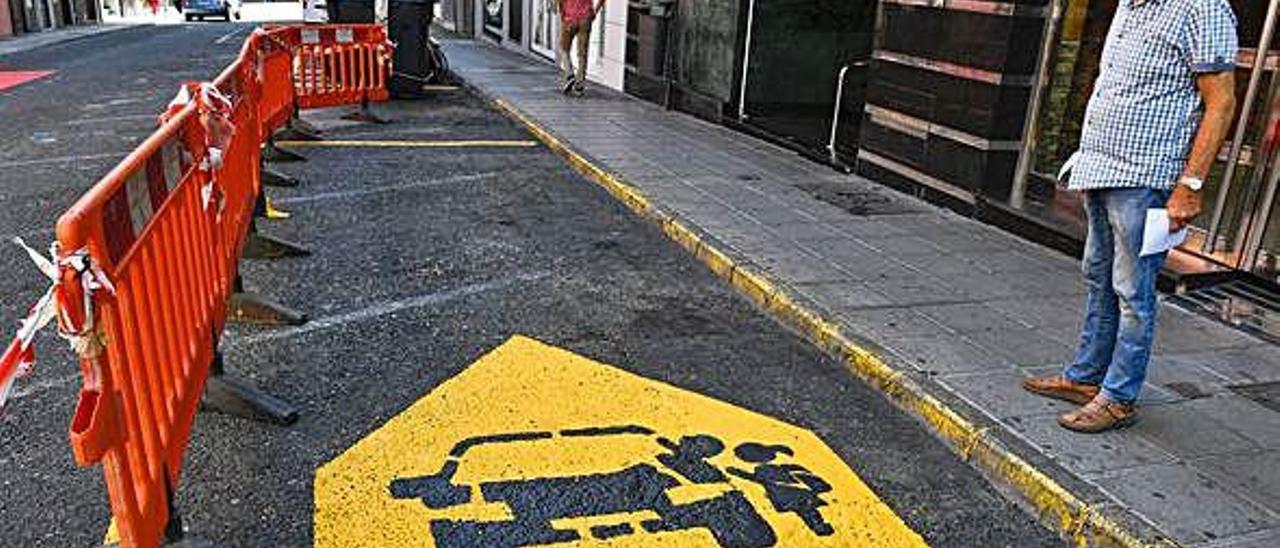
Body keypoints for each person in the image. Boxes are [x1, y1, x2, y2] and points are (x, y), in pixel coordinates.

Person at [1024, 0, 1238, 433]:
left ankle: (1119, 397)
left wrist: (1190, 187)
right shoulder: (1130, 5)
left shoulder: (1200, 7)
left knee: (1132, 291)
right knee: (1099, 276)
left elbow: (1222, 103)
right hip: (1102, 167)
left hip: (1145, 176)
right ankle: (1086, 378)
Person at [556, 0, 605, 96]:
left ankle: (570, 74)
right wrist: (595, 11)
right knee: (582, 54)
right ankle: (579, 86)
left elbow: (560, 2)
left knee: (564, 48)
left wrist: (563, 17)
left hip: (569, 19)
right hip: (585, 19)